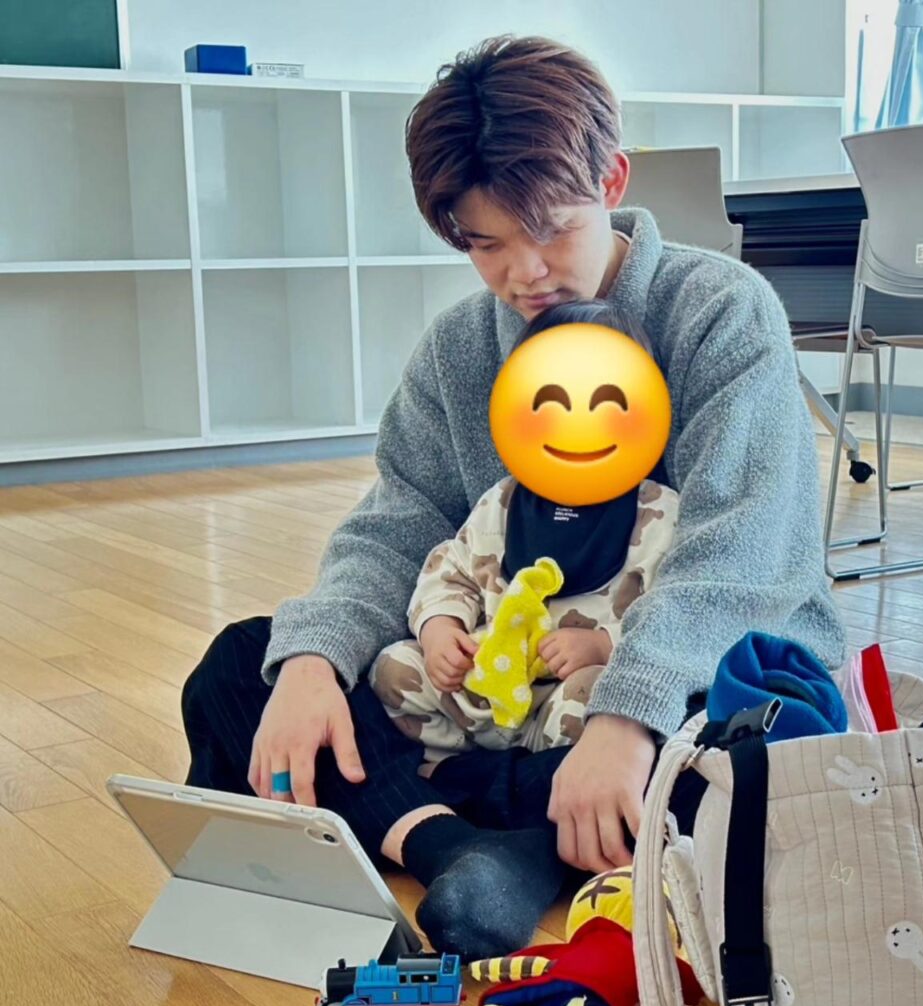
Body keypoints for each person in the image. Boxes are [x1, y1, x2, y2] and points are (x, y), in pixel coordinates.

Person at [181, 34, 846, 959]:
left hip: (668, 680)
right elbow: (398, 523)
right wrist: (314, 662)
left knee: (751, 742)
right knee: (247, 664)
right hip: (497, 708)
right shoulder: (460, 348)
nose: (523, 272)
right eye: (486, 243)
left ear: (612, 179)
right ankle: (471, 845)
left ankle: (458, 829)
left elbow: (743, 549)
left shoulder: (718, 311)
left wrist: (626, 713)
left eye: (551, 230)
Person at [369, 298, 679, 764]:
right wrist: (440, 629)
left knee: (599, 692)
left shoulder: (658, 512)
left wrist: (604, 645)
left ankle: (534, 774)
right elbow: (452, 569)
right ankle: (450, 764)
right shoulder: (503, 501)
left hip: (563, 704)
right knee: (393, 667)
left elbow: (672, 610)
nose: (577, 423)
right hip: (482, 685)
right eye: (552, 403)